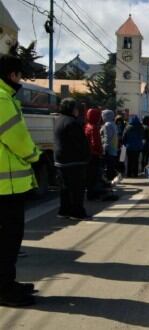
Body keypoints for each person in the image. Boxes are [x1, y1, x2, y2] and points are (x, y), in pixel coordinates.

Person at [0, 55, 41, 306]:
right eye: (19, 75)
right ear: (12, 74)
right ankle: (4, 290)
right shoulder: (3, 99)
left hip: (6, 186)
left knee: (7, 240)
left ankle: (8, 284)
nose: (20, 80)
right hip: (6, 187)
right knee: (7, 240)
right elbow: (16, 137)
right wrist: (34, 155)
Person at [54, 98, 91, 220]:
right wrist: (86, 156)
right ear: (71, 109)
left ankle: (64, 211)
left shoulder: (58, 120)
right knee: (77, 188)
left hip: (60, 159)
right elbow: (80, 143)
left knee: (65, 188)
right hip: (74, 160)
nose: (77, 111)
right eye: (76, 108)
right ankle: (77, 212)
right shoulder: (72, 122)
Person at [84, 108, 105, 200]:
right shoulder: (94, 128)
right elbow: (95, 143)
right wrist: (100, 151)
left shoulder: (86, 126)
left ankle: (90, 194)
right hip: (94, 155)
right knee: (95, 176)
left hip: (88, 154)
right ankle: (93, 195)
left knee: (89, 176)